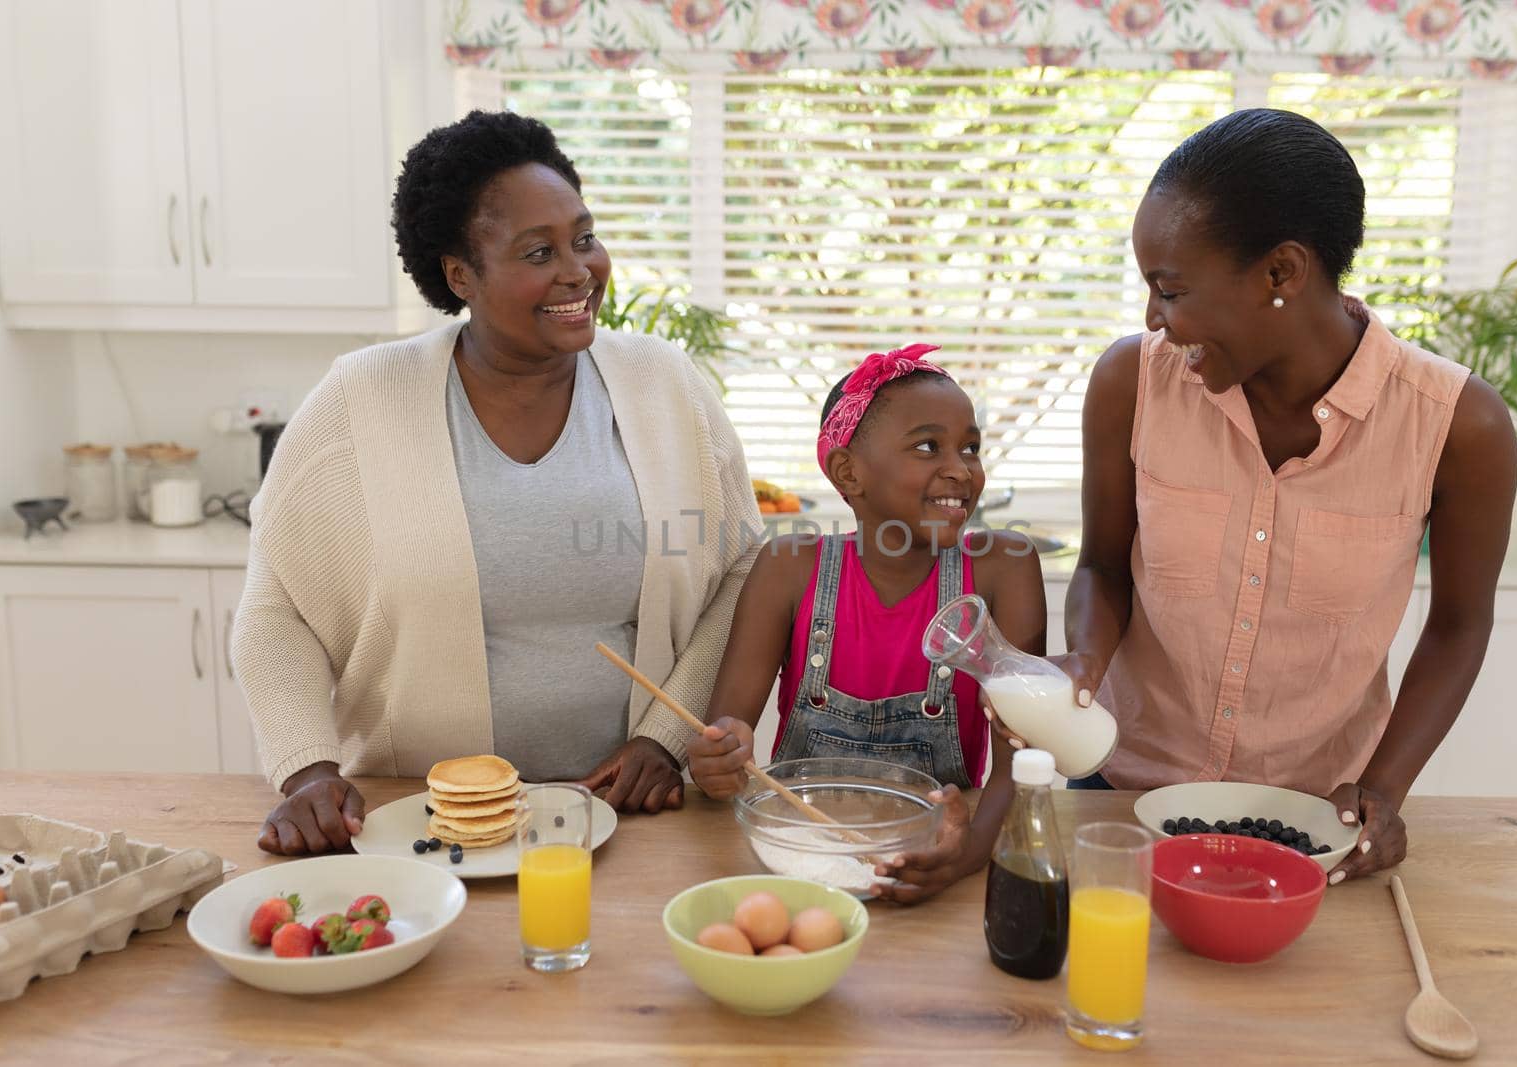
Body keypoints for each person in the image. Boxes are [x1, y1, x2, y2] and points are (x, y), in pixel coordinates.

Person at [233, 111, 761, 854]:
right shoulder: (361, 398)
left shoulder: (663, 385)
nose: (578, 269)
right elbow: (275, 604)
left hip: (627, 820)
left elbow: (742, 567)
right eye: (538, 251)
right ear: (460, 275)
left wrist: (665, 738)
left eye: (583, 238)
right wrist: (307, 772)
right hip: (411, 821)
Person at [1049, 108, 1517, 883]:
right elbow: (1102, 564)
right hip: (1118, 799)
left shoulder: (1457, 425)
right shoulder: (1130, 384)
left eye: (1170, 290)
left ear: (1281, 273)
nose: (1152, 321)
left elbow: (1460, 626)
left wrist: (1381, 792)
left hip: (1310, 821)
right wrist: (1083, 664)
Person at [687, 345, 1047, 904]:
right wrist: (718, 762)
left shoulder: (1006, 568)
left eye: (970, 447)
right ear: (848, 472)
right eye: (929, 446)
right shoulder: (787, 569)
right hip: (802, 858)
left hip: (948, 852)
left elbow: (1020, 765)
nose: (961, 468)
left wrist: (964, 855)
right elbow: (722, 745)